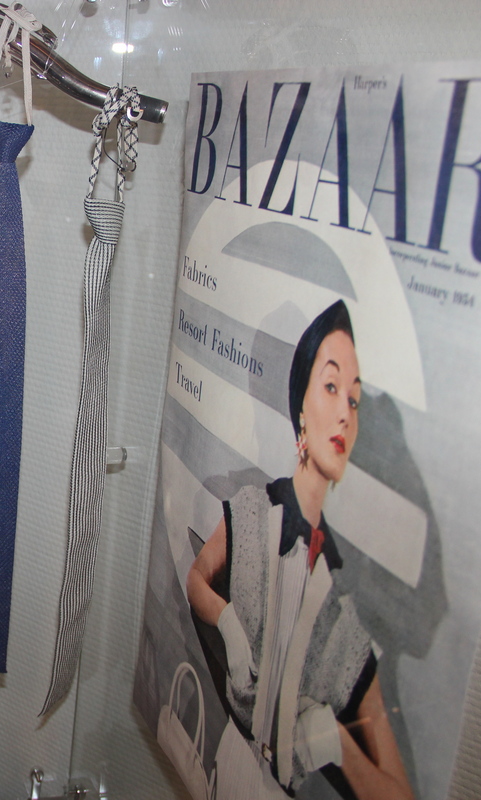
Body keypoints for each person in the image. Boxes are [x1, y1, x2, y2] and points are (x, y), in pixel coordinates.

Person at [186, 301, 413, 800]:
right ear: (301, 406)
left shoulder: (347, 611)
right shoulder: (250, 510)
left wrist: (339, 744)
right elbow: (196, 578)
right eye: (331, 387)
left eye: (353, 400)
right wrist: (228, 623)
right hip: (224, 768)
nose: (344, 413)